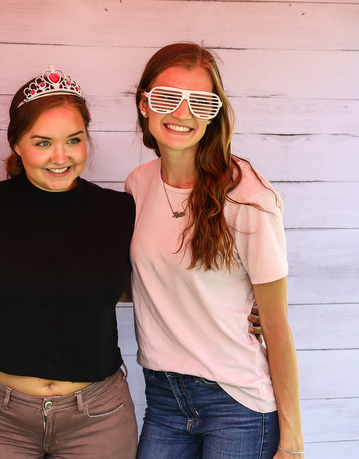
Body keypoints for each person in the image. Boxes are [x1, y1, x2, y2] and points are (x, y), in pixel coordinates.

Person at [127, 42, 304, 458]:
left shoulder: (247, 197)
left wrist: (293, 441)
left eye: (201, 103)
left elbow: (276, 325)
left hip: (237, 404)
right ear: (144, 104)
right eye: (168, 97)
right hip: (164, 399)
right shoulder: (137, 184)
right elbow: (142, 281)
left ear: (215, 112)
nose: (182, 113)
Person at [0, 66, 138, 458]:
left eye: (74, 139)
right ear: (16, 144)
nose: (60, 157)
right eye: (42, 142)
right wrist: (13, 295)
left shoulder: (118, 211)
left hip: (98, 415)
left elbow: (140, 285)